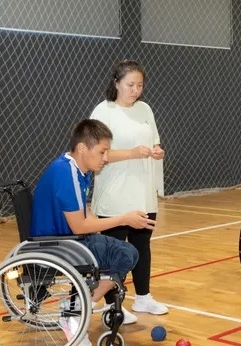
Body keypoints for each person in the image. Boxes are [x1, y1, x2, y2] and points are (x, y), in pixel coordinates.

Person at [30, 119, 156, 346]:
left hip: (70, 240)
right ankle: (74, 310)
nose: (106, 158)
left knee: (127, 251)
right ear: (82, 148)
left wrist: (104, 233)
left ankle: (79, 305)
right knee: (124, 255)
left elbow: (85, 213)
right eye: (102, 151)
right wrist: (123, 219)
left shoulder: (80, 170)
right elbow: (79, 226)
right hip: (57, 245)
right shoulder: (65, 173)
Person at [89, 59, 169, 320]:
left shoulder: (145, 109)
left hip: (142, 192)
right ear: (116, 83)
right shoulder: (104, 111)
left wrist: (157, 151)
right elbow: (97, 154)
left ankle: (143, 298)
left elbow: (154, 140)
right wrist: (132, 153)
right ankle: (113, 305)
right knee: (114, 251)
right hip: (115, 195)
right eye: (130, 85)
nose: (135, 90)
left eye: (140, 85)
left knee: (142, 245)